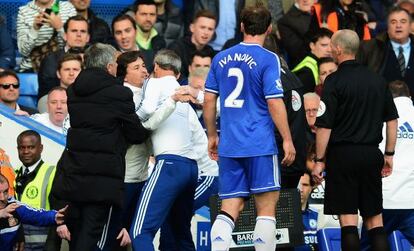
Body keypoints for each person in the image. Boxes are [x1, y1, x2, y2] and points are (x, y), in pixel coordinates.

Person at [204, 6, 296, 251]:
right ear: (268, 29)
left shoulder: (220, 58)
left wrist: (212, 135)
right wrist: (287, 139)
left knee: (230, 207)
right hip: (259, 143)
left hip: (230, 144)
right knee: (266, 210)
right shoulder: (269, 58)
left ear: (242, 26)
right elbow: (274, 101)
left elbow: (209, 100)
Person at [50, 43, 151, 251]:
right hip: (103, 179)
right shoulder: (119, 93)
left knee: (78, 234)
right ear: (108, 67)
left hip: (75, 174)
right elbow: (135, 133)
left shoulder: (74, 91)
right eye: (115, 63)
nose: (116, 67)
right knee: (94, 235)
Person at [312, 29, 398, 251]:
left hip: (342, 156)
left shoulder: (333, 81)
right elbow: (392, 120)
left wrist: (320, 159)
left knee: (348, 222)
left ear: (339, 49)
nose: (330, 49)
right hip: (371, 154)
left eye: (331, 45)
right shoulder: (378, 80)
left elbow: (324, 126)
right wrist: (389, 154)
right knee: (374, 221)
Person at [130, 49, 202, 250]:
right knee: (181, 235)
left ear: (155, 67)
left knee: (140, 232)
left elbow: (146, 110)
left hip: (169, 165)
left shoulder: (154, 83)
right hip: (191, 167)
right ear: (178, 74)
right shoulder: (183, 95)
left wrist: (129, 123)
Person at [360, 80, 414, 249]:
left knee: (367, 247)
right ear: (410, 96)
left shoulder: (378, 117)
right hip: (411, 200)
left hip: (385, 199)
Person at [357, 6, 414, 99]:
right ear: (387, 26)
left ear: (410, 25)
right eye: (393, 22)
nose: (398, 25)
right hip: (381, 108)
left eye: (403, 21)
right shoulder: (370, 48)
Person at [14, 130, 56, 251]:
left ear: (41, 148)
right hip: (18, 243)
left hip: (43, 244)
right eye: (22, 148)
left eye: (31, 147)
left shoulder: (52, 172)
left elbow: (59, 209)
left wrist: (53, 243)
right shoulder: (14, 174)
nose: (26, 151)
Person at [0, 174, 67, 251]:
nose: (2, 198)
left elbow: (35, 214)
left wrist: (54, 216)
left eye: (5, 192)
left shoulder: (13, 206)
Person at [37, 15, 89, 108]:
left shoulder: (93, 59)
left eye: (83, 31)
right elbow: (47, 91)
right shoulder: (51, 60)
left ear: (88, 37)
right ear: (65, 35)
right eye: (74, 31)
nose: (78, 35)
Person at [16, 0, 77, 72]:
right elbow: (23, 51)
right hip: (32, 68)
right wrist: (34, 30)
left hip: (64, 66)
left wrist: (59, 27)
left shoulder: (68, 8)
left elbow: (75, 46)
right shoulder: (24, 11)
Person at [168, 9, 216, 80]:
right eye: (202, 27)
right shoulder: (177, 48)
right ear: (192, 28)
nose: (206, 32)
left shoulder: (211, 52)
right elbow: (172, 77)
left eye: (210, 29)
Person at [277, 0, 320, 68]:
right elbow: (297, 52)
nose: (305, 0)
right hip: (306, 67)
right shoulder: (285, 21)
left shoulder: (325, 12)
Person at [292, 28, 333, 93]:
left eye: (331, 46)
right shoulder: (306, 71)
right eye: (324, 45)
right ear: (312, 46)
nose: (329, 50)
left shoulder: (320, 63)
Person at [134, 0, 166, 73]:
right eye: (143, 14)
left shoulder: (160, 41)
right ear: (134, 15)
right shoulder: (128, 39)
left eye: (152, 14)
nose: (148, 19)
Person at [295, 171, 318, 251]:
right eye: (297, 184)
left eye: (305, 185)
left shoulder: (318, 216)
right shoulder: (281, 218)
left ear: (312, 187)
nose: (300, 189)